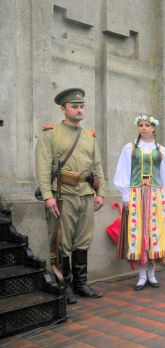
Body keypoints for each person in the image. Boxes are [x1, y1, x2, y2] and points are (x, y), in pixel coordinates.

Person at [35, 88, 105, 304]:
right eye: (74, 106)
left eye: (82, 106)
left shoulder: (89, 136)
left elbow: (97, 166)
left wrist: (100, 192)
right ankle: (63, 285)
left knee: (83, 240)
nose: (79, 110)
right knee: (62, 241)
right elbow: (43, 167)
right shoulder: (51, 134)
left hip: (85, 194)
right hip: (62, 195)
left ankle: (80, 284)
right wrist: (48, 196)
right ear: (63, 109)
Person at [113, 115, 165, 291]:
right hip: (135, 194)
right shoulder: (130, 148)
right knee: (138, 234)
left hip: (155, 195)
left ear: (154, 128)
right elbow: (123, 172)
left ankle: (152, 274)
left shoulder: (161, 150)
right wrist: (126, 196)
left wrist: (164, 198)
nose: (144, 128)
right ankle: (141, 276)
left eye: (147, 125)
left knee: (153, 233)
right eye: (141, 125)